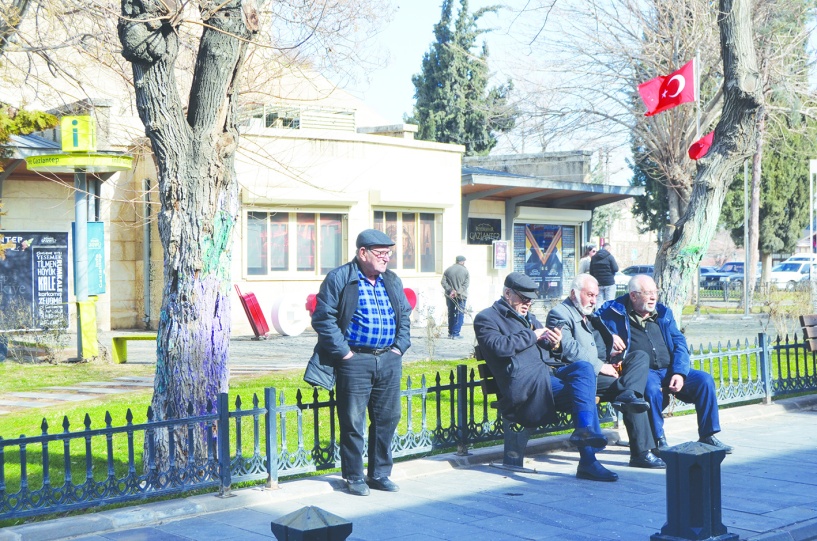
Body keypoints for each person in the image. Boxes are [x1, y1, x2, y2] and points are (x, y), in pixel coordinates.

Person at [474, 272, 618, 482]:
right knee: (584, 394)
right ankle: (589, 460)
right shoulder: (487, 318)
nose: (527, 304)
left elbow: (545, 351)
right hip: (526, 384)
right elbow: (498, 347)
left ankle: (584, 433)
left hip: (548, 376)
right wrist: (533, 335)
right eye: (523, 298)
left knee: (585, 370)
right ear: (507, 293)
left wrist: (554, 342)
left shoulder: (529, 318)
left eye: (530, 300)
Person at [311, 229, 413, 496]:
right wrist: (345, 353)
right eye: (380, 254)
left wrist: (399, 348)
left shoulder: (391, 280)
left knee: (387, 418)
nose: (386, 259)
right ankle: (354, 476)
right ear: (362, 253)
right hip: (355, 360)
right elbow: (323, 318)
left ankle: (380, 473)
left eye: (388, 254)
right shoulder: (340, 278)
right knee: (353, 420)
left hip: (389, 359)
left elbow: (404, 314)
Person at [597, 275, 733, 454]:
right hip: (642, 371)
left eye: (655, 292)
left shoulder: (663, 313)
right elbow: (592, 323)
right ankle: (658, 440)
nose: (653, 297)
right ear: (633, 296)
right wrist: (610, 337)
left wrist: (679, 372)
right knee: (651, 389)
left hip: (669, 369)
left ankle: (708, 435)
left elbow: (679, 343)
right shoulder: (613, 311)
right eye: (648, 293)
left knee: (705, 381)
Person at [546, 274, 665, 469]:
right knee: (632, 392)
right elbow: (569, 349)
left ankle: (628, 393)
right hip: (579, 375)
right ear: (574, 294)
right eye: (590, 295)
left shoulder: (590, 313)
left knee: (639, 359)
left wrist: (612, 343)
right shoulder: (560, 314)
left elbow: (597, 342)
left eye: (596, 295)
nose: (594, 300)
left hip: (602, 368)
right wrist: (601, 366)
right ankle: (642, 453)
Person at [441, 255, 469, 339]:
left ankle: (450, 333)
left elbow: (443, 282)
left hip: (450, 295)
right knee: (459, 313)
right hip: (461, 296)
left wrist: (451, 291)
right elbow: (466, 284)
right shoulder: (465, 271)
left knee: (451, 312)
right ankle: (456, 333)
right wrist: (458, 292)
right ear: (463, 262)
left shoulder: (448, 270)